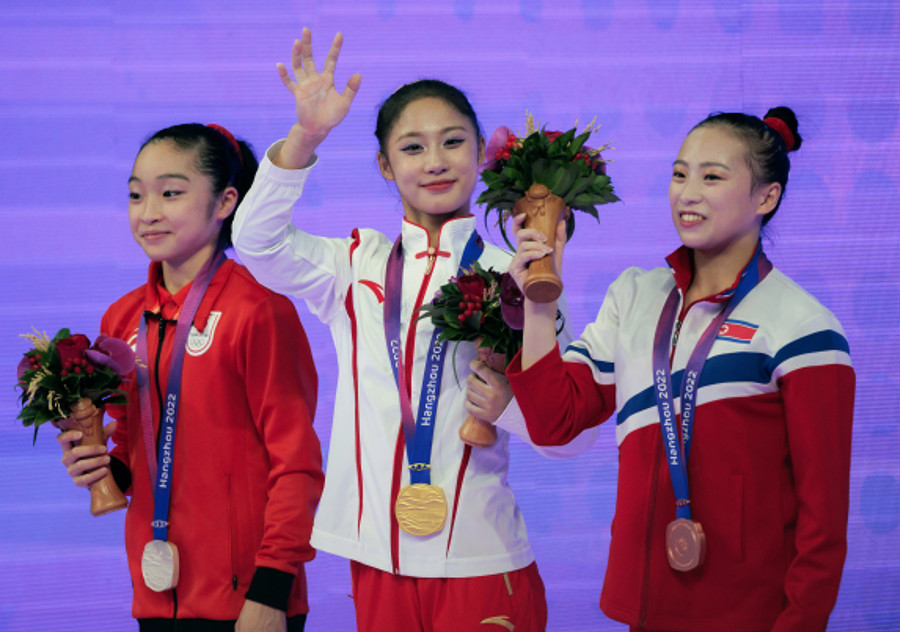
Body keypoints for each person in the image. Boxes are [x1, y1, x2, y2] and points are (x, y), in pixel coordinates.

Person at [232, 29, 597, 632]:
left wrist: (510, 407)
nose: (434, 161)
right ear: (383, 164)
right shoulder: (355, 266)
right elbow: (255, 242)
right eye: (411, 147)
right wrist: (308, 135)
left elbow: (572, 436)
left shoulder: (519, 275)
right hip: (377, 560)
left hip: (482, 558)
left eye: (453, 142)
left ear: (482, 153)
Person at [506, 107, 855, 631]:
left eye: (712, 176)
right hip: (645, 602)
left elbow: (823, 518)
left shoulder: (803, 327)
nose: (687, 193)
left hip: (749, 614)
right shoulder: (635, 296)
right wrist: (538, 298)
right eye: (679, 173)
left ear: (767, 197)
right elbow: (555, 418)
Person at [56, 123, 324, 632]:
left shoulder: (259, 311)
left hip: (248, 599)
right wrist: (102, 468)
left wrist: (271, 590)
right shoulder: (122, 318)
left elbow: (298, 464)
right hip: (156, 593)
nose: (148, 212)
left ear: (225, 202)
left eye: (171, 193)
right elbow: (137, 447)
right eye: (136, 194)